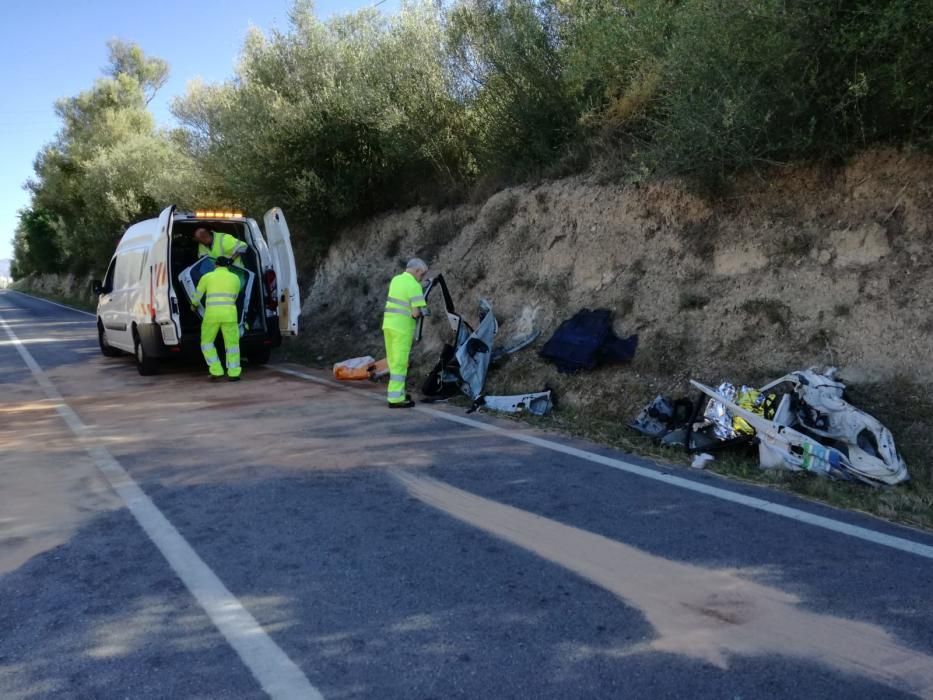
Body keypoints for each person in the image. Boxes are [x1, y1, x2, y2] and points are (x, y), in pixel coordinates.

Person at [382, 258, 429, 407]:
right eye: (422, 275)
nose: (421, 278)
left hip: (388, 325)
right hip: (402, 329)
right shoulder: (414, 285)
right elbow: (415, 313)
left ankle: (398, 393)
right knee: (400, 364)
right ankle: (396, 399)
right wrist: (423, 311)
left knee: (393, 361)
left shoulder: (396, 280)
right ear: (417, 271)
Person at [191, 257, 242, 381]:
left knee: (207, 343)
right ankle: (234, 373)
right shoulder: (235, 278)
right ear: (228, 266)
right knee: (232, 345)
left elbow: (197, 297)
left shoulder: (207, 277)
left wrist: (193, 305)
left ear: (215, 265)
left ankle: (216, 370)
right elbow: (235, 296)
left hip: (212, 316)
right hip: (230, 315)